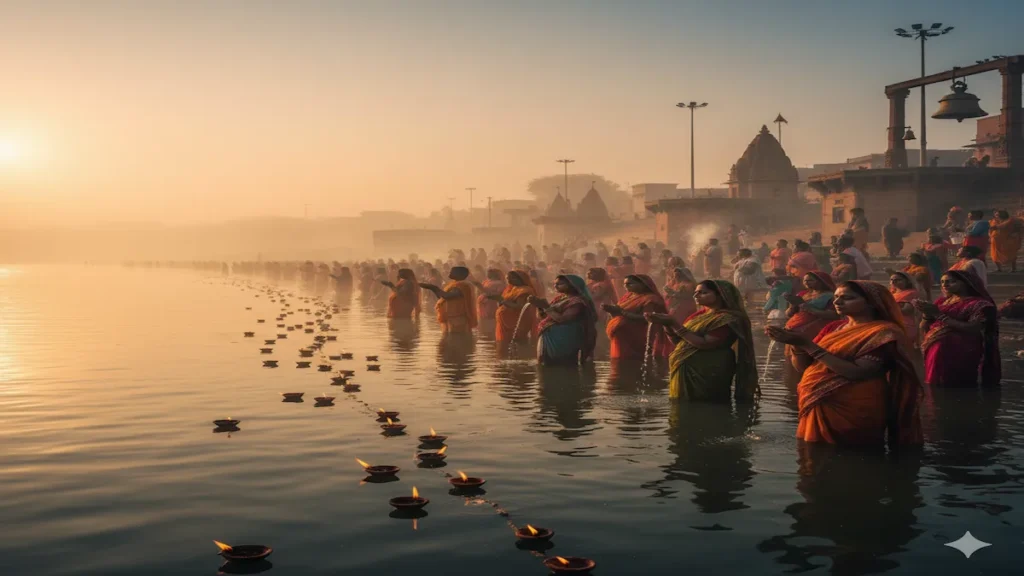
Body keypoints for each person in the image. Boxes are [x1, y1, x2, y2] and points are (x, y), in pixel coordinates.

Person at [767, 281, 922, 448]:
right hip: (817, 401)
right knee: (815, 458)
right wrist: (796, 345)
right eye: (836, 297)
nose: (837, 302)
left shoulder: (883, 332)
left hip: (855, 405)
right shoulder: (834, 327)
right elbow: (805, 367)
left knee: (852, 455)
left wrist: (807, 345)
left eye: (847, 298)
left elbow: (858, 372)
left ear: (871, 302)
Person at [645, 280, 758, 403]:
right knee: (682, 412)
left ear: (721, 295)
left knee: (708, 407)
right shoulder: (698, 315)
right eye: (695, 292)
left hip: (709, 369)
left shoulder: (727, 319)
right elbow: (679, 342)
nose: (696, 296)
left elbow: (704, 344)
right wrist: (667, 325)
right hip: (684, 366)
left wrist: (674, 324)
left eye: (703, 292)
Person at [915, 270, 1000, 387]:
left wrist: (938, 315)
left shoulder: (980, 304)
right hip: (935, 347)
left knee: (957, 385)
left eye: (951, 281)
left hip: (961, 349)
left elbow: (973, 328)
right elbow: (926, 325)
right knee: (935, 385)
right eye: (942, 282)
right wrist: (926, 314)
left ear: (966, 283)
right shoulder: (942, 301)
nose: (945, 285)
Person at [532, 275, 598, 365]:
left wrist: (546, 307)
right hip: (550, 337)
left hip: (565, 339)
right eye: (555, 284)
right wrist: (539, 306)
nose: (556, 286)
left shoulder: (578, 302)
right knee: (546, 367)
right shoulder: (559, 299)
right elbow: (543, 317)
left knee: (562, 366)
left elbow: (562, 319)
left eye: (560, 284)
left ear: (572, 285)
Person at [604, 274, 672, 360]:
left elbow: (647, 318)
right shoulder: (628, 296)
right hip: (622, 336)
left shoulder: (651, 299)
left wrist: (621, 312)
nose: (626, 287)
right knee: (620, 365)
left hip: (638, 336)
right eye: (624, 284)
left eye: (629, 284)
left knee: (633, 363)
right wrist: (611, 311)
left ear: (643, 284)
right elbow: (618, 314)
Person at [782, 272, 838, 371]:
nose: (807, 282)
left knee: (810, 359)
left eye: (810, 280)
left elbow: (834, 315)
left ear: (821, 282)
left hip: (815, 330)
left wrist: (807, 307)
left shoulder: (831, 296)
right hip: (794, 330)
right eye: (805, 280)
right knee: (793, 360)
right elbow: (789, 314)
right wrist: (793, 305)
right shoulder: (802, 294)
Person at [419, 266, 477, 333]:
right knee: (451, 339)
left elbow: (447, 296)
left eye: (452, 271)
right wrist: (432, 288)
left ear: (459, 274)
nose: (449, 272)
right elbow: (443, 298)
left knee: (456, 338)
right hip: (453, 316)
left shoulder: (463, 285)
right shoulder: (454, 284)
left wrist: (433, 287)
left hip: (458, 317)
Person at [493, 270, 536, 342]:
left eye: (511, 278)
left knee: (516, 344)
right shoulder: (512, 288)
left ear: (519, 279)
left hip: (516, 322)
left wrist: (503, 302)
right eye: (507, 278)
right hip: (506, 322)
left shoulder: (524, 290)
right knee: (506, 346)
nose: (508, 280)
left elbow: (520, 306)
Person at [888, 271, 921, 344]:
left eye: (897, 280)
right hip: (892, 323)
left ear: (907, 281)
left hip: (905, 325)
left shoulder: (911, 293)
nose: (893, 282)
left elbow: (906, 310)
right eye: (891, 280)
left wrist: (888, 307)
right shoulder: (892, 293)